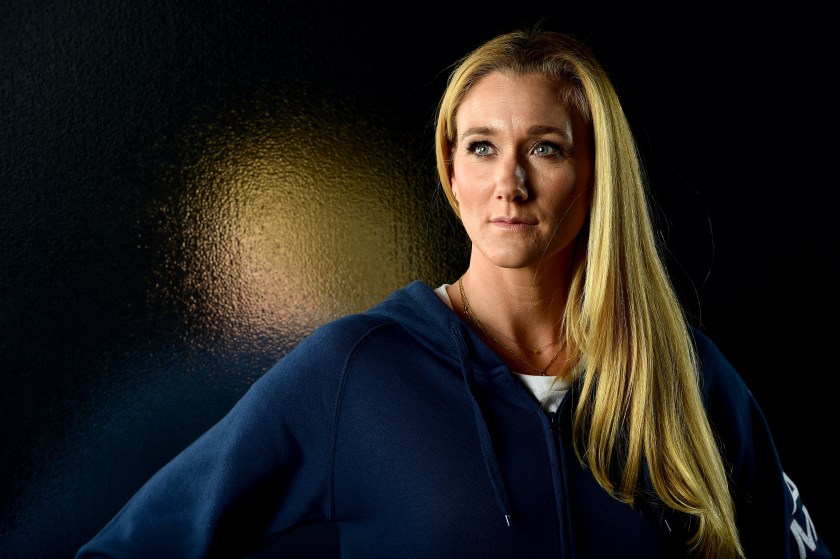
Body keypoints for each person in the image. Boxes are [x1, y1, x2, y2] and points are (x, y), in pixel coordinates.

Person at [76, 27, 832, 559]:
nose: (510, 182)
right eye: (482, 147)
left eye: (545, 147)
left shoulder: (682, 375)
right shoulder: (356, 370)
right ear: (452, 172)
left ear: (595, 175)